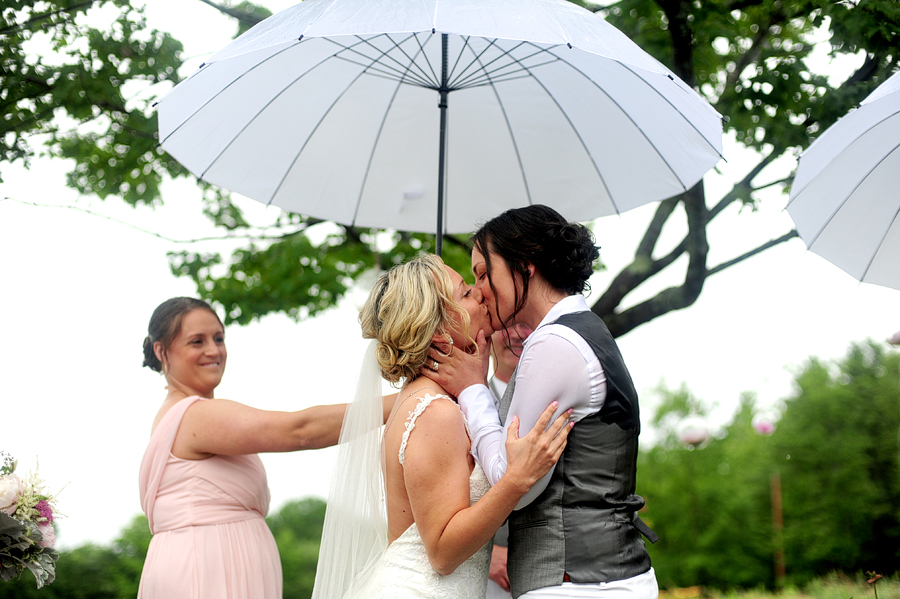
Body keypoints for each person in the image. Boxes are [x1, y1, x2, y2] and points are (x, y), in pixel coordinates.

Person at [425, 205, 659, 599]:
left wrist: (471, 388)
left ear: (525, 265)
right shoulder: (579, 331)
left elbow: (513, 481)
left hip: (579, 583)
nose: (479, 288)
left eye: (484, 273)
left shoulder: (554, 344)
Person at [312, 254, 573, 599]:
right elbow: (442, 553)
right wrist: (516, 481)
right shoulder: (435, 412)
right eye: (465, 292)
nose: (480, 293)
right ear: (437, 328)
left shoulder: (434, 401)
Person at [137, 297, 394, 599]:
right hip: (204, 570)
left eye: (218, 338)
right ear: (161, 351)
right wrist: (407, 399)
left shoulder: (186, 413)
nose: (213, 350)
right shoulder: (193, 415)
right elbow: (301, 431)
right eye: (197, 341)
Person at [487, 324, 533, 599]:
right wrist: (487, 552)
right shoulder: (457, 405)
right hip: (487, 578)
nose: (516, 334)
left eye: (525, 323)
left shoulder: (567, 401)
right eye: (505, 325)